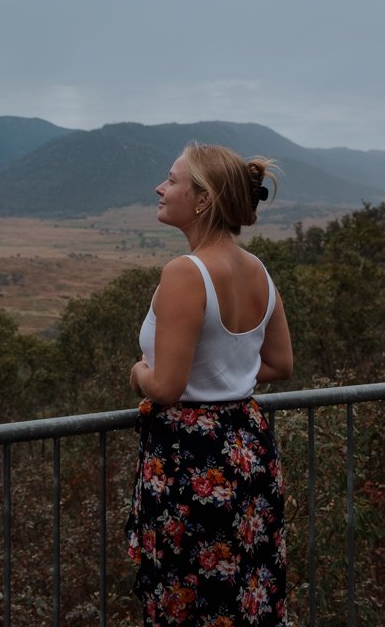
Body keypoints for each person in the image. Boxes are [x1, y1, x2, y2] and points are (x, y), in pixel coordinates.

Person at [126, 142, 293, 626]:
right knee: (248, 591)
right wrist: (225, 374)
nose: (161, 187)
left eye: (172, 180)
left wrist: (138, 372)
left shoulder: (185, 272)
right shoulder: (257, 269)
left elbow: (166, 388)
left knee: (189, 599)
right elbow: (280, 363)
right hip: (249, 448)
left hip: (193, 460)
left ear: (202, 200)